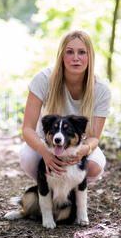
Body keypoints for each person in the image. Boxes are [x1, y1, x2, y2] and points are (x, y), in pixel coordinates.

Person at [19, 30, 111, 183]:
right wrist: (45, 152)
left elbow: (94, 137)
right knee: (28, 157)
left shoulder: (101, 89)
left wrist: (82, 151)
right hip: (46, 143)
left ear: (90, 57)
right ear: (61, 55)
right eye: (70, 52)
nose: (76, 58)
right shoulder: (43, 79)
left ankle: (73, 195)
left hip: (77, 145)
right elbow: (27, 129)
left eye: (82, 52)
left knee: (95, 165)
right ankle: (46, 189)